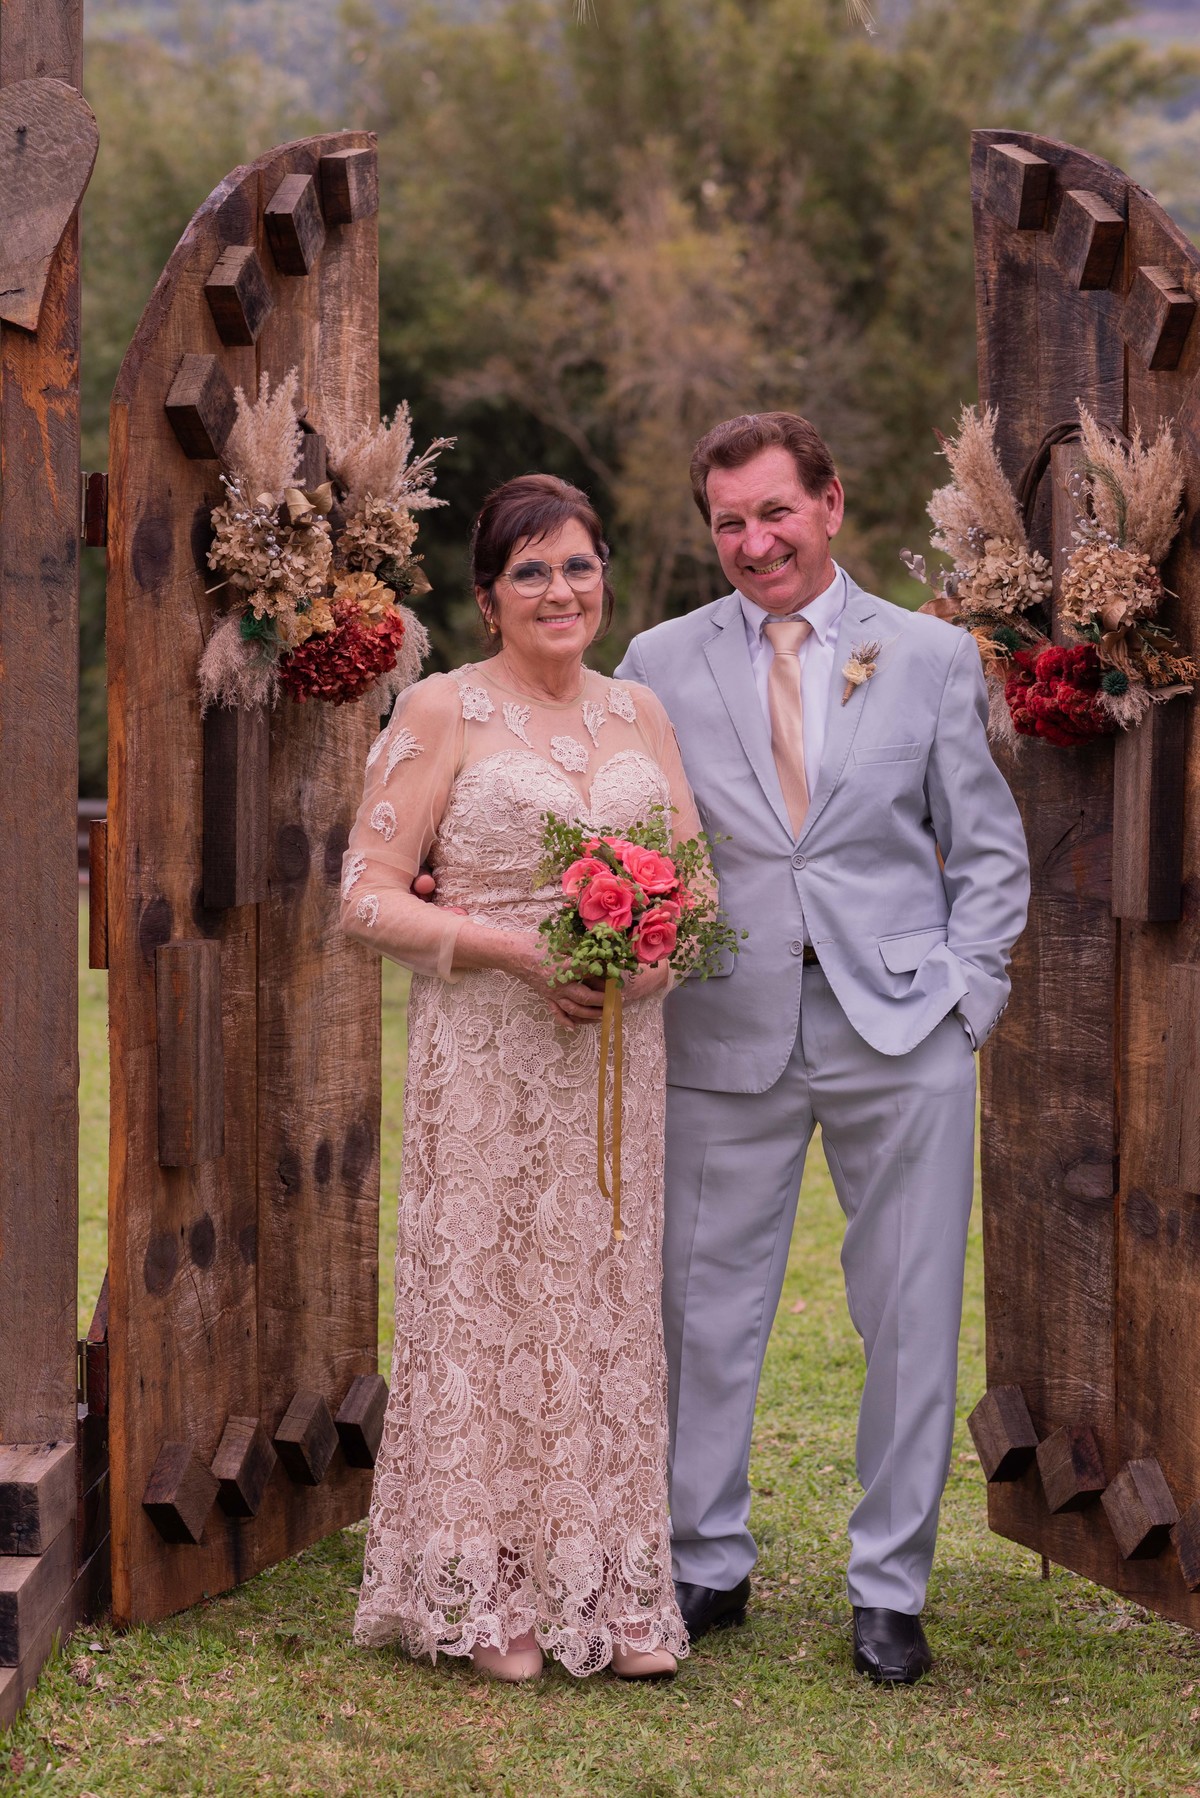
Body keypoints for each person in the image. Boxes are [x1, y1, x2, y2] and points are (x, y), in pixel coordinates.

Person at [614, 412, 1030, 1685]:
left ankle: (889, 1586)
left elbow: (989, 849)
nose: (755, 542)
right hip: (718, 1021)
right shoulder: (657, 661)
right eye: (729, 522)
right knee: (700, 1307)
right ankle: (704, 1558)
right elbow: (622, 828)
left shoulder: (932, 655)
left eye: (775, 512)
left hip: (900, 1029)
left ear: (831, 504)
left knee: (909, 1311)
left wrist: (966, 998)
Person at [341, 474, 700, 1683]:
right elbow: (365, 896)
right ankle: (484, 1581)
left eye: (579, 565)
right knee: (488, 1302)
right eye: (531, 570)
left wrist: (650, 959)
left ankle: (611, 1583)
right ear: (488, 596)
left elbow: (695, 882)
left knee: (602, 1304)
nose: (560, 589)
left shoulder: (641, 711)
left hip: (613, 1059)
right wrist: (515, 950)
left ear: (606, 580)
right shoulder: (441, 708)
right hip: (486, 1056)